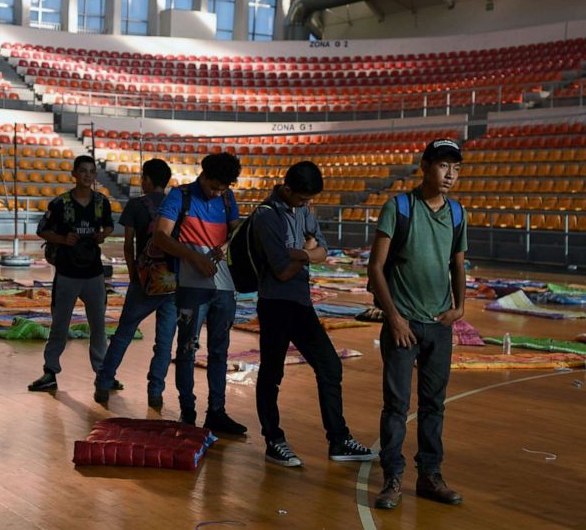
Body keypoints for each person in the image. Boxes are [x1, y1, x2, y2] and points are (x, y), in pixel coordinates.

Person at [252, 161, 376, 467]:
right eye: (302, 199)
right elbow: (280, 270)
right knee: (272, 373)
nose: (307, 205)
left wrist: (302, 253)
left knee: (330, 367)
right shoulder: (265, 216)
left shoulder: (304, 210)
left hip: (302, 304)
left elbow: (324, 250)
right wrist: (308, 253)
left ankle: (339, 439)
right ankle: (274, 440)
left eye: (310, 200)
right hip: (275, 304)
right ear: (287, 189)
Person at [367, 139, 468, 509]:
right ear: (425, 166)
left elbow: (457, 263)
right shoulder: (398, 207)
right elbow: (375, 267)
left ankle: (429, 476)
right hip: (403, 324)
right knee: (395, 405)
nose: (450, 173)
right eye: (443, 165)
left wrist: (460, 308)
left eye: (456, 167)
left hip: (439, 325)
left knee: (433, 405)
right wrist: (394, 317)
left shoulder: (458, 213)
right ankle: (393, 477)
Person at [153, 152, 247, 435]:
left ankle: (216, 411)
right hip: (192, 285)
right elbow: (161, 236)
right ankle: (188, 411)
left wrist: (229, 244)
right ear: (203, 175)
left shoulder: (228, 199)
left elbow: (236, 233)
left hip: (224, 286)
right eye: (214, 187)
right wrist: (194, 258)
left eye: (223, 188)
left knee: (220, 350)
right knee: (187, 348)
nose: (217, 193)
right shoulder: (179, 197)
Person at [94, 158, 177, 408]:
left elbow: (128, 244)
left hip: (144, 279)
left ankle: (104, 383)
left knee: (124, 333)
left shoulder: (136, 205)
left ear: (148, 180)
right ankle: (155, 392)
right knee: (164, 341)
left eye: (143, 177)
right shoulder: (176, 204)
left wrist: (132, 272)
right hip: (172, 281)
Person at [28, 155, 114, 392]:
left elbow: (109, 225)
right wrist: (62, 239)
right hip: (67, 274)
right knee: (60, 324)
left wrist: (103, 234)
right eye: (83, 171)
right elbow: (41, 230)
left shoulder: (101, 202)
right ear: (74, 175)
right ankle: (50, 372)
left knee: (99, 326)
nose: (88, 176)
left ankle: (103, 373)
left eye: (92, 172)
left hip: (94, 274)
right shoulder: (60, 203)